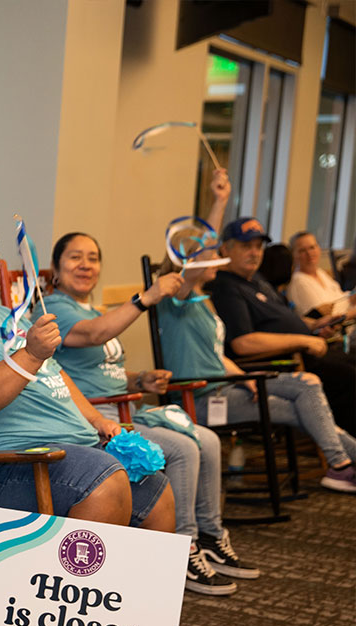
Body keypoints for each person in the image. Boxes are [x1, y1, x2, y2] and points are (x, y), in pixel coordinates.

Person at [0, 221, 175, 533]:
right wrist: (32, 354)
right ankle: (62, 581)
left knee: (155, 489)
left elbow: (55, 375)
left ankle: (131, 583)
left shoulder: (6, 317)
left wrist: (97, 422)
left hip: (45, 455)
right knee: (104, 479)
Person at [45, 227, 258, 597]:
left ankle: (208, 533)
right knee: (182, 448)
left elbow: (102, 370)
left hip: (126, 407)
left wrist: (138, 379)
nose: (85, 265)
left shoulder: (92, 308)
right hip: (96, 419)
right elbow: (94, 335)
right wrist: (145, 298)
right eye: (75, 257)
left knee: (206, 439)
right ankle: (183, 548)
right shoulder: (54, 309)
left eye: (93, 258)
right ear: (55, 268)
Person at [157, 247, 356, 494]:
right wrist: (219, 206)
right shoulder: (176, 299)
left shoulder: (201, 302)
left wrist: (242, 377)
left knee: (308, 383)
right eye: (213, 257)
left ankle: (341, 464)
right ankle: (341, 464)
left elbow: (216, 356)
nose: (220, 262)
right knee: (302, 405)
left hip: (222, 386)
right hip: (198, 397)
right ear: (191, 262)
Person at [208, 218, 355, 434]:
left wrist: (314, 325)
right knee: (350, 377)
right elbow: (243, 343)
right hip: (283, 362)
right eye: (246, 246)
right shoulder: (226, 286)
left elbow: (282, 317)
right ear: (225, 249)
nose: (255, 253)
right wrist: (305, 340)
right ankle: (348, 452)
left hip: (307, 348)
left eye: (258, 247)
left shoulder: (255, 279)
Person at [284, 231, 356, 323]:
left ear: (319, 249)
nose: (309, 253)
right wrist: (350, 304)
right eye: (302, 250)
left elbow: (339, 298)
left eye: (312, 247)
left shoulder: (320, 272)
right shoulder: (299, 282)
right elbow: (324, 318)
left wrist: (351, 298)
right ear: (293, 255)